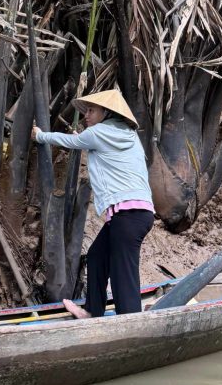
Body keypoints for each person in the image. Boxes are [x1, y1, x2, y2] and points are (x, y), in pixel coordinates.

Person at [32, 89, 154, 319]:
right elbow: (95, 146)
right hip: (137, 214)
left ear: (106, 112)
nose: (86, 115)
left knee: (122, 272)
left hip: (127, 216)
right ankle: (92, 311)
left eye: (91, 110)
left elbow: (71, 141)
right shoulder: (128, 134)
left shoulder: (98, 133)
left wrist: (40, 135)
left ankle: (131, 322)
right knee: (97, 256)